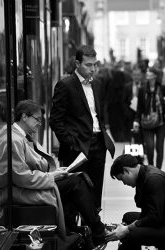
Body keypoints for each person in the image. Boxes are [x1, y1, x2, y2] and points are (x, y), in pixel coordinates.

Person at [0, 99, 108, 249]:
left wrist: (55, 172)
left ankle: (83, 231)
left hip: (34, 182)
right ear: (24, 117)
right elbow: (21, 176)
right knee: (76, 183)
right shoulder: (14, 139)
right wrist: (51, 176)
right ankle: (97, 231)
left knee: (77, 178)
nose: (39, 124)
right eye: (37, 119)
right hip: (22, 190)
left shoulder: (21, 136)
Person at [50, 45, 115, 208]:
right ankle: (75, 230)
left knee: (95, 189)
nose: (93, 68)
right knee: (75, 191)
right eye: (88, 65)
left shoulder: (98, 84)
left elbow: (98, 112)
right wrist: (70, 143)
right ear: (77, 64)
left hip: (98, 144)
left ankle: (94, 228)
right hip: (77, 147)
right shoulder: (65, 85)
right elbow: (55, 120)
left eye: (95, 64)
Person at [105, 154, 165, 250]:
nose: (124, 183)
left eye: (122, 179)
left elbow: (154, 217)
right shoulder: (143, 174)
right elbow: (149, 213)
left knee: (129, 235)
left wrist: (127, 229)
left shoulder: (153, 179)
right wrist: (127, 227)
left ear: (126, 170)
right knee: (128, 217)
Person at [133, 67, 165, 169]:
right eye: (147, 72)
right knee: (149, 147)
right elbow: (139, 107)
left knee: (159, 148)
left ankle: (158, 170)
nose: (147, 74)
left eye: (150, 72)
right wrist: (136, 120)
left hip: (160, 122)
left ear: (155, 76)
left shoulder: (162, 88)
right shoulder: (142, 89)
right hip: (146, 122)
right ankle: (151, 168)